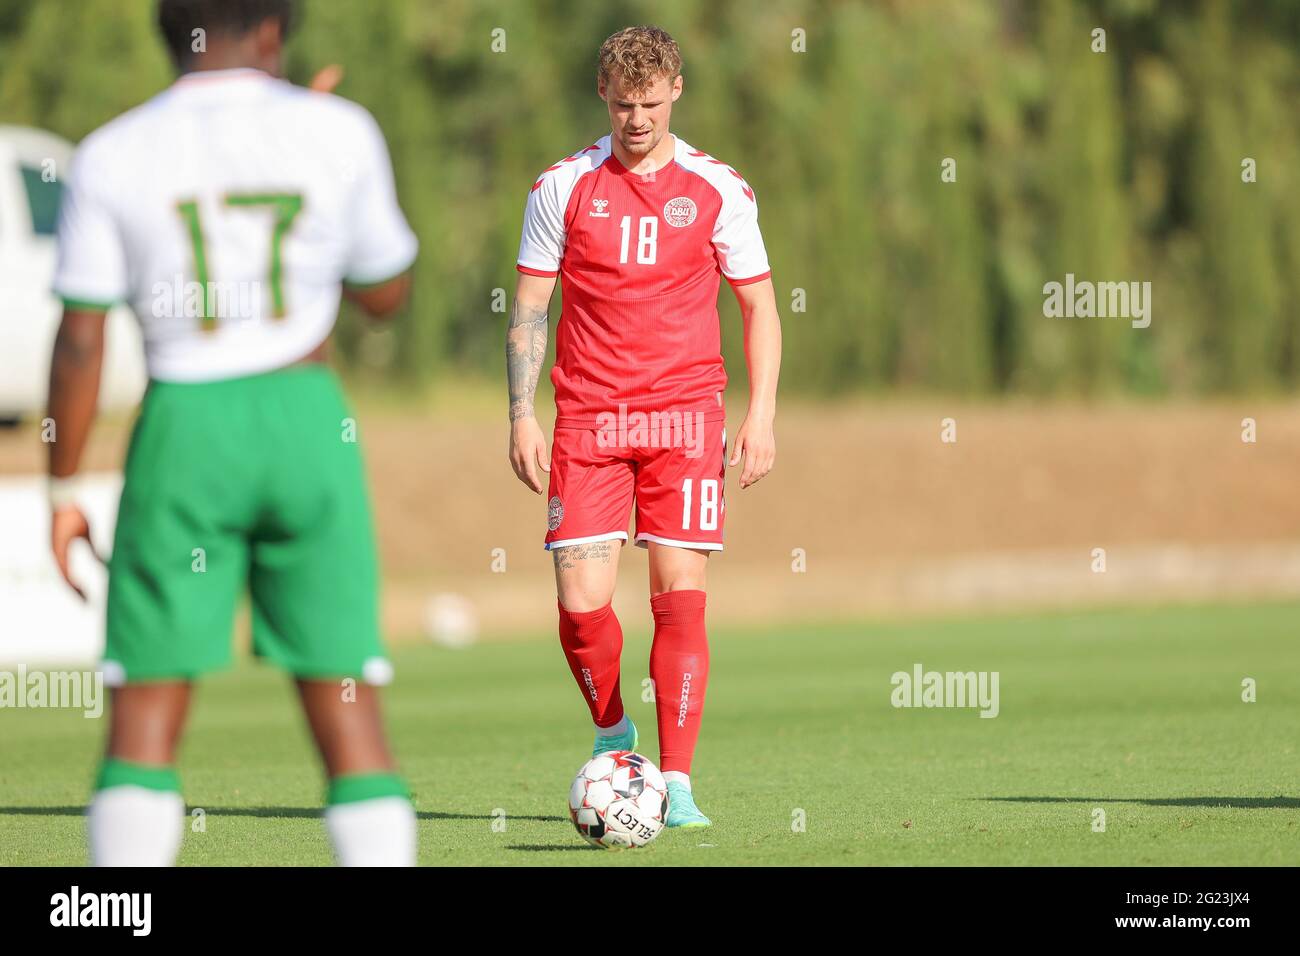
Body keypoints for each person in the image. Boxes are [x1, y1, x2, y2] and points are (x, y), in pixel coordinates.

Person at [48, 0, 418, 866]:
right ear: (274, 33)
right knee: (347, 703)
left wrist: (66, 488)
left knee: (144, 712)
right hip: (304, 418)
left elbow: (80, 338)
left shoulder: (112, 152)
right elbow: (384, 293)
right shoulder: (337, 131)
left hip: (185, 422)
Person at [506, 25, 782, 828]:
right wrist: (523, 414)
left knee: (679, 598)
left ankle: (680, 782)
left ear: (677, 93)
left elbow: (759, 305)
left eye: (651, 104)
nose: (637, 120)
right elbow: (529, 306)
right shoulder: (562, 187)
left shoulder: (720, 188)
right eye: (624, 104)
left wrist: (759, 416)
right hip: (588, 419)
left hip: (686, 418)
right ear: (604, 96)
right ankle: (612, 732)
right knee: (581, 605)